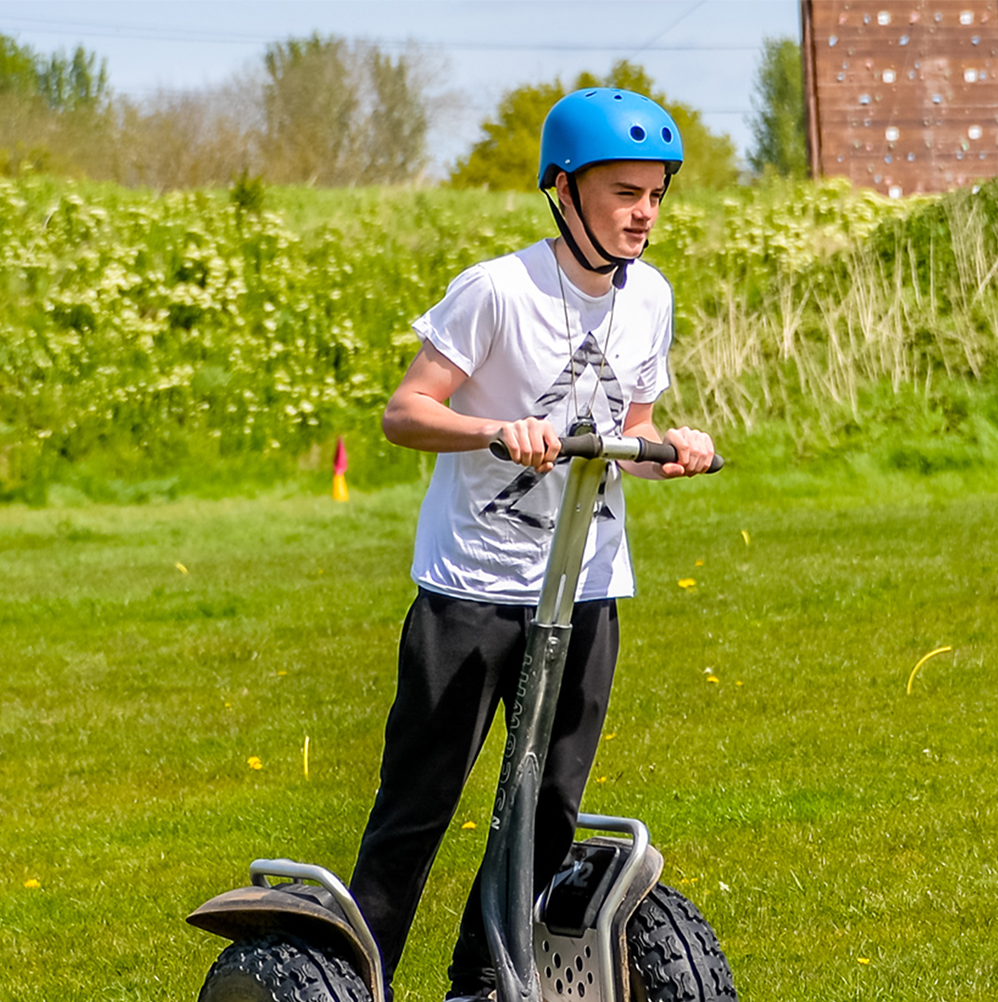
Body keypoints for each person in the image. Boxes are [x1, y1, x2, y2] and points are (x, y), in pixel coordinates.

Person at [347, 88, 716, 1002]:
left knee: (548, 806)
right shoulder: (498, 289)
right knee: (419, 806)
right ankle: (355, 981)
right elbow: (404, 413)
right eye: (625, 192)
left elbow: (633, 430)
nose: (643, 213)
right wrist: (492, 430)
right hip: (473, 586)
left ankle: (481, 981)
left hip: (585, 586)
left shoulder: (651, 300)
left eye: (657, 195)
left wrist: (674, 451)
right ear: (563, 188)